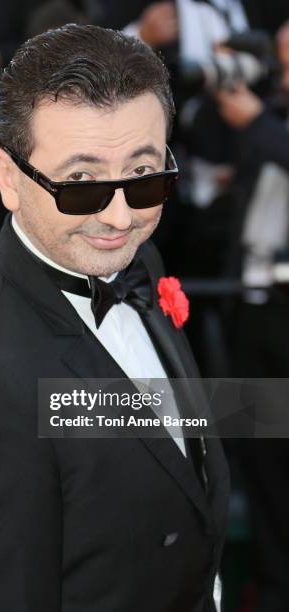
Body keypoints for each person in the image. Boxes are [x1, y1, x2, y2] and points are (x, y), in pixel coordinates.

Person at [0, 24, 229, 612]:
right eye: (80, 183)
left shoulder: (139, 258)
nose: (118, 217)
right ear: (8, 178)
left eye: (142, 175)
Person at [215, 20, 289, 612]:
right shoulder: (270, 120)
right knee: (262, 458)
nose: (281, 81)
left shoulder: (269, 126)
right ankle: (271, 584)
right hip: (256, 314)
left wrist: (259, 124)